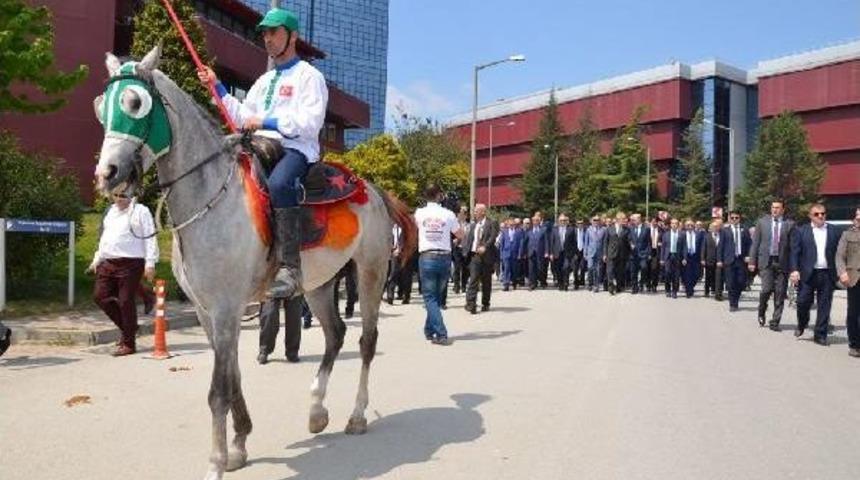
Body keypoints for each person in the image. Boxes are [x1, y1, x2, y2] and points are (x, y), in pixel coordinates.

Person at [197, 7, 327, 300]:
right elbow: (242, 117)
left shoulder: (310, 76)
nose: (267, 39)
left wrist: (268, 122)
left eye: (273, 32)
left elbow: (310, 125)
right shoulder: (263, 81)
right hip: (259, 146)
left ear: (292, 36)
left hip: (295, 149)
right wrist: (216, 86)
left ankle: (291, 269)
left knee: (281, 184)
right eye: (264, 33)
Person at [88, 193, 159, 356]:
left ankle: (129, 343)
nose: (118, 199)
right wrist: (97, 259)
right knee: (100, 297)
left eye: (122, 196)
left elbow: (150, 237)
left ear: (131, 196)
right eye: (116, 196)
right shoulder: (111, 211)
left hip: (131, 262)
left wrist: (150, 263)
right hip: (108, 261)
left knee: (126, 301)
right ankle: (129, 329)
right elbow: (105, 238)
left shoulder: (141, 211)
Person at [414, 185, 463, 345]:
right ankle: (429, 330)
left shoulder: (419, 213)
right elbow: (460, 234)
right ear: (439, 196)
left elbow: (414, 229)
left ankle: (441, 333)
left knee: (430, 297)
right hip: (445, 258)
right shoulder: (448, 214)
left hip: (427, 256)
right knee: (435, 296)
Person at [789, 204, 840, 346]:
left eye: (823, 213)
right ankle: (802, 323)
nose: (820, 216)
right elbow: (795, 252)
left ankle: (820, 334)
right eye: (816, 214)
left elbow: (840, 253)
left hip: (827, 273)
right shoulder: (801, 231)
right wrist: (794, 270)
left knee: (825, 305)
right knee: (802, 302)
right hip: (807, 273)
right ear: (810, 216)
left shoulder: (834, 231)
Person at [749, 199, 795, 331]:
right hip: (766, 262)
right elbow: (756, 243)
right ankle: (761, 310)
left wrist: (794, 268)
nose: (775, 210)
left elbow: (792, 248)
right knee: (766, 289)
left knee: (780, 293)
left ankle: (775, 321)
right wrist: (752, 261)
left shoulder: (789, 224)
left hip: (782, 263)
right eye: (773, 207)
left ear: (783, 210)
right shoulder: (762, 222)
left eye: (778, 208)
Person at [462, 204, 498, 314]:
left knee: (486, 282)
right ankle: (471, 304)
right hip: (474, 257)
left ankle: (485, 303)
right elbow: (469, 240)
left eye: (476, 211)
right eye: (474, 211)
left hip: (486, 257)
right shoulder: (473, 225)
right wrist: (465, 252)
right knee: (473, 280)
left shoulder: (491, 223)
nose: (474, 213)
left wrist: (485, 246)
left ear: (483, 212)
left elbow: (493, 236)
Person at [835, 207, 860, 357]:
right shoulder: (847, 234)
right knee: (854, 313)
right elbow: (839, 256)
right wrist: (842, 272)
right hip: (853, 277)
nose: (858, 219)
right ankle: (854, 344)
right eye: (857, 216)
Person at [719, 211, 751, 312]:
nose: (734, 220)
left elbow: (749, 244)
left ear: (739, 218)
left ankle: (736, 299)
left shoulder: (744, 230)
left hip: (741, 260)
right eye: (732, 218)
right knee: (730, 283)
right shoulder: (725, 231)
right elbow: (721, 246)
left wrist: (749, 256)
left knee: (741, 282)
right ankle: (733, 303)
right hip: (729, 260)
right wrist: (720, 260)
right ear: (729, 219)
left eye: (736, 218)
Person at [257, 295, 304, 364]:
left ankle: (292, 351)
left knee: (294, 315)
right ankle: (264, 349)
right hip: (271, 287)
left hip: (294, 286)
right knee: (269, 314)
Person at [603, 212, 630, 295]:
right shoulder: (609, 229)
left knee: (619, 272)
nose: (625, 220)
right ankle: (610, 286)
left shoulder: (626, 230)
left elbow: (628, 241)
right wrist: (604, 254)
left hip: (621, 255)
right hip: (611, 253)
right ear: (618, 220)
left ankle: (618, 286)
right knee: (609, 271)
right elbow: (605, 242)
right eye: (623, 219)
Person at [548, 214, 576, 291]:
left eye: (564, 220)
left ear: (566, 221)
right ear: (558, 221)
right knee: (558, 269)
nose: (563, 222)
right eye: (561, 220)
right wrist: (551, 253)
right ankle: (560, 283)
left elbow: (574, 242)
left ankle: (566, 283)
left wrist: (574, 253)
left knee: (566, 267)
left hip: (567, 253)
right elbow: (551, 242)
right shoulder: (554, 230)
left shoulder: (571, 229)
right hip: (557, 253)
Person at [660, 217, 683, 298]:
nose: (674, 225)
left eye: (675, 223)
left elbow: (684, 247)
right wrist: (662, 259)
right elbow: (663, 247)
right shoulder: (666, 234)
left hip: (677, 256)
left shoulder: (682, 234)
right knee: (667, 274)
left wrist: (684, 258)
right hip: (668, 257)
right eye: (672, 223)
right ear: (670, 225)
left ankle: (674, 291)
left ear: (678, 225)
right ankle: (667, 290)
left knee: (676, 276)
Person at [499, 218, 524, 291]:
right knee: (506, 269)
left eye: (512, 224)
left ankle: (514, 282)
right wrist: (501, 254)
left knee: (514, 269)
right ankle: (506, 284)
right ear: (507, 225)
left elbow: (521, 244)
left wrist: (520, 254)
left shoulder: (519, 232)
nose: (511, 226)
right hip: (506, 253)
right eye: (510, 225)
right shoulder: (504, 232)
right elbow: (502, 243)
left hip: (515, 253)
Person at [628, 213, 651, 294]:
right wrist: (630, 244)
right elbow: (629, 238)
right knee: (633, 271)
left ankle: (641, 283)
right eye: (633, 220)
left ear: (639, 219)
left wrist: (649, 253)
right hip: (633, 254)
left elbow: (649, 242)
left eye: (634, 219)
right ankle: (635, 287)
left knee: (644, 268)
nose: (633, 221)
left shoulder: (646, 229)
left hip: (643, 253)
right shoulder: (631, 228)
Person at [680, 218, 703, 298]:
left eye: (691, 225)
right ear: (685, 226)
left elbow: (702, 247)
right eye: (688, 225)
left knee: (696, 274)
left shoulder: (698, 234)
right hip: (686, 257)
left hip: (695, 257)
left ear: (694, 226)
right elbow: (681, 247)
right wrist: (683, 258)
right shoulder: (682, 234)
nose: (690, 227)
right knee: (686, 275)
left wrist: (702, 258)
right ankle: (688, 291)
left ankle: (691, 287)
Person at [525, 213, 549, 290]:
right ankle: (532, 284)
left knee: (540, 268)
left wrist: (546, 252)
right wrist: (524, 252)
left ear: (539, 221)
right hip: (531, 252)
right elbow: (525, 242)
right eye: (534, 221)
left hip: (540, 252)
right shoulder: (529, 230)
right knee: (531, 269)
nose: (535, 222)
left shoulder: (543, 230)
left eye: (537, 220)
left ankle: (542, 282)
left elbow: (546, 241)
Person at [702, 220, 723, 299]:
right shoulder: (707, 236)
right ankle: (706, 291)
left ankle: (715, 290)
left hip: (718, 260)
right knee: (708, 276)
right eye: (713, 227)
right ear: (711, 228)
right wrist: (702, 259)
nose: (715, 228)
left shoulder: (721, 236)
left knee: (717, 276)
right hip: (709, 259)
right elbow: (703, 248)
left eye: (717, 226)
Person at [584, 216, 605, 292]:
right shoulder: (588, 230)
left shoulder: (603, 230)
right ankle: (590, 284)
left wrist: (604, 253)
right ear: (591, 221)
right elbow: (586, 242)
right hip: (590, 252)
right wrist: (585, 253)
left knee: (598, 269)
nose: (596, 221)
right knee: (590, 268)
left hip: (599, 252)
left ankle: (596, 285)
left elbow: (604, 242)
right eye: (594, 220)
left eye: (597, 220)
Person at [451, 206, 469, 294]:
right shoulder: (455, 225)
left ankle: (464, 285)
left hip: (465, 248)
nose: (461, 215)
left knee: (465, 268)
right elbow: (450, 236)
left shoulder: (469, 225)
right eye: (460, 214)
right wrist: (453, 240)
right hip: (457, 248)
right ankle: (456, 286)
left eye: (463, 214)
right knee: (457, 268)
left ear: (466, 215)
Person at [647, 217, 663, 293]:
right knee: (647, 268)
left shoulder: (661, 230)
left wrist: (661, 243)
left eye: (655, 222)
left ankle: (654, 285)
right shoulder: (647, 230)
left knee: (655, 269)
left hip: (656, 251)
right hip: (647, 252)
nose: (654, 223)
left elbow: (664, 240)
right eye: (652, 221)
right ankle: (648, 284)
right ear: (650, 222)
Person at [573, 219, 588, 289]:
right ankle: (576, 282)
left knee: (582, 267)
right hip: (575, 251)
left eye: (581, 223)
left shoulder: (586, 231)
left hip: (583, 251)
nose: (580, 224)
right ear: (576, 224)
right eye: (578, 223)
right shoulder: (574, 231)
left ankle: (582, 280)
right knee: (575, 268)